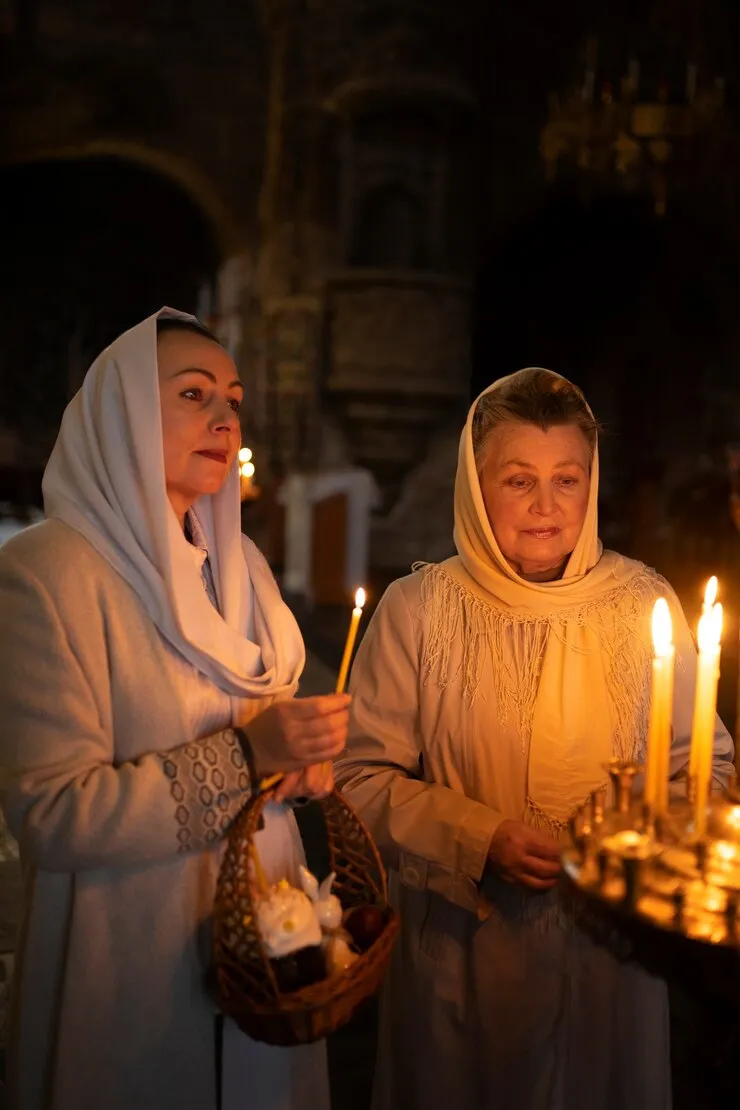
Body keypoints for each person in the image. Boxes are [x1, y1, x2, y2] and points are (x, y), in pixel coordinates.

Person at [336, 368, 735, 1110]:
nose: (547, 507)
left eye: (567, 479)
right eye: (519, 481)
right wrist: (477, 836)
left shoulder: (642, 601)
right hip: (465, 955)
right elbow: (359, 779)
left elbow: (702, 760)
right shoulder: (419, 610)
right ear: (475, 484)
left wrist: (646, 839)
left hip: (610, 958)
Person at [0, 309, 349, 1110]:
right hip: (130, 953)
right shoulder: (48, 575)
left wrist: (298, 763)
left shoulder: (242, 568)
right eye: (194, 394)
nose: (226, 418)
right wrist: (248, 756)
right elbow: (52, 815)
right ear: (123, 414)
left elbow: (265, 733)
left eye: (233, 398)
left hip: (269, 940)